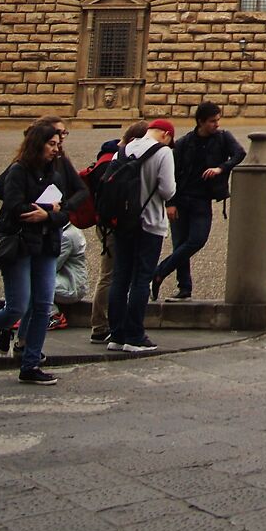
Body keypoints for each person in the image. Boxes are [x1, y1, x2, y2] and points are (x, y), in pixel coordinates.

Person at [0, 120, 84, 385]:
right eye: (52, 143)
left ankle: (29, 364)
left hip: (47, 242)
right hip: (21, 244)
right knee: (17, 307)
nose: (57, 148)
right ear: (38, 144)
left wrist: (51, 214)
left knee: (42, 306)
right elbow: (13, 204)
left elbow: (74, 199)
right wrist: (44, 210)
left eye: (58, 143)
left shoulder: (58, 169)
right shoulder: (18, 169)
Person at [95, 119, 175, 356]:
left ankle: (117, 335)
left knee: (120, 277)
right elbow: (168, 190)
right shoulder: (163, 152)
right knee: (141, 279)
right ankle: (135, 335)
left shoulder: (125, 148)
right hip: (149, 223)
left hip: (123, 221)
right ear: (166, 135)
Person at [153, 102, 247, 300]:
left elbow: (240, 153)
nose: (216, 124)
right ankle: (184, 288)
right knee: (180, 244)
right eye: (213, 121)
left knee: (196, 240)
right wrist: (170, 203)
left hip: (202, 200)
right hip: (181, 199)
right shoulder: (184, 143)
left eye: (218, 120)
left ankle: (159, 272)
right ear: (201, 122)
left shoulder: (223, 138)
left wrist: (222, 168)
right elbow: (172, 175)